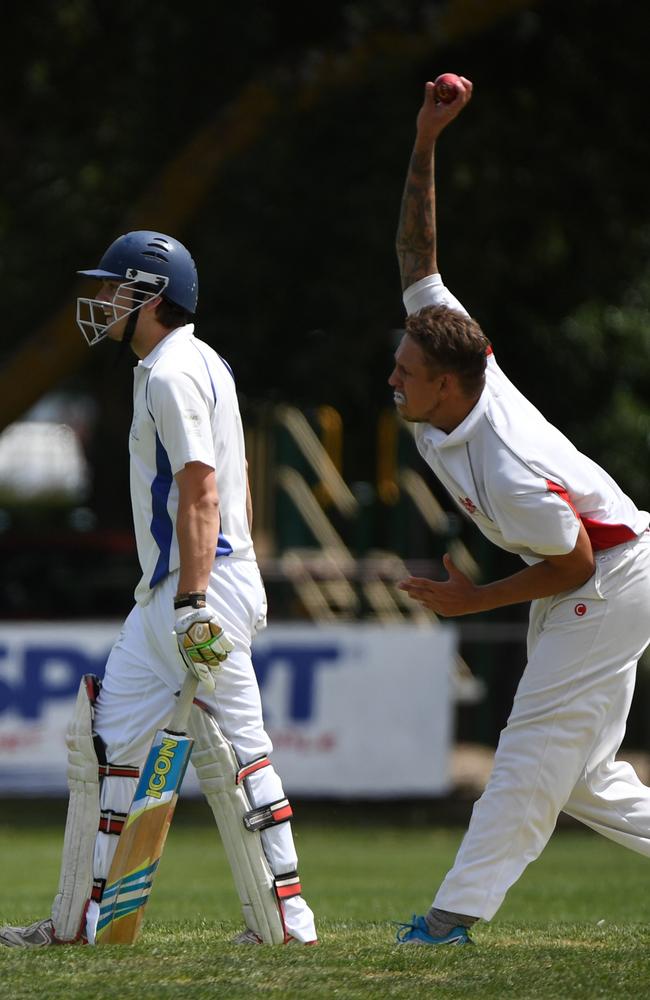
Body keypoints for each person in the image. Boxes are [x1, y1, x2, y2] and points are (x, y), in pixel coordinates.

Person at [0, 231, 317, 947]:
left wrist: (195, 601)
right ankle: (81, 920)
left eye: (116, 288)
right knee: (108, 741)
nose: (105, 301)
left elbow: (200, 491)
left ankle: (288, 920)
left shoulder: (175, 372)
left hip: (193, 587)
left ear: (151, 294)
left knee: (236, 748)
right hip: (182, 587)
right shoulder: (194, 363)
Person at [392, 79, 650, 946]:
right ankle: (455, 912)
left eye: (406, 374)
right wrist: (428, 139)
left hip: (609, 573)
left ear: (452, 384)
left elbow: (575, 561)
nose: (393, 378)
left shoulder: (507, 470)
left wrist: (473, 602)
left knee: (532, 749)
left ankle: (450, 918)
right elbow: (417, 256)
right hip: (594, 567)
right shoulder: (447, 354)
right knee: (584, 778)